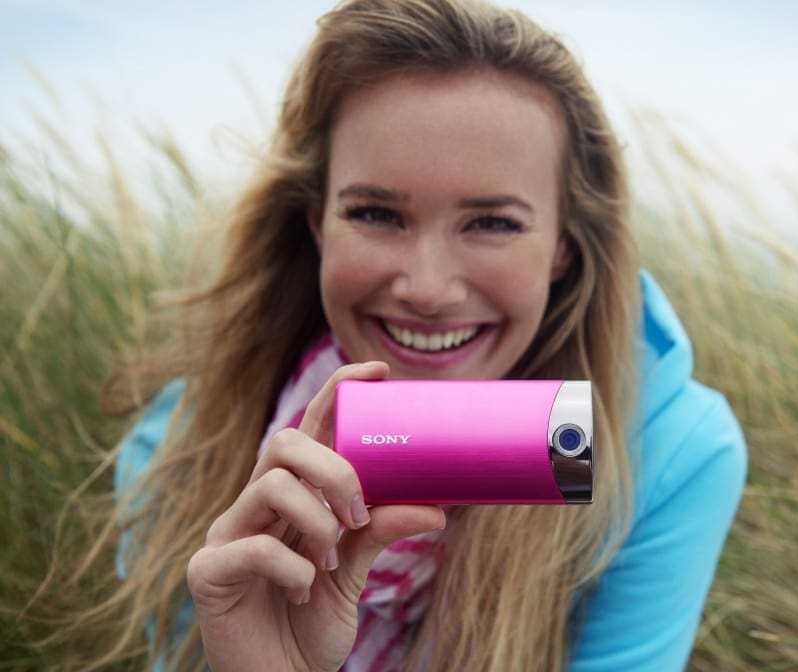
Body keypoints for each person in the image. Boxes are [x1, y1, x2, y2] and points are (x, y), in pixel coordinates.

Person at [65, 1, 748, 670]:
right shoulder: (180, 445)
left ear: (563, 247)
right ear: (317, 223)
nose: (427, 288)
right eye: (375, 213)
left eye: (493, 223)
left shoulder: (669, 451)